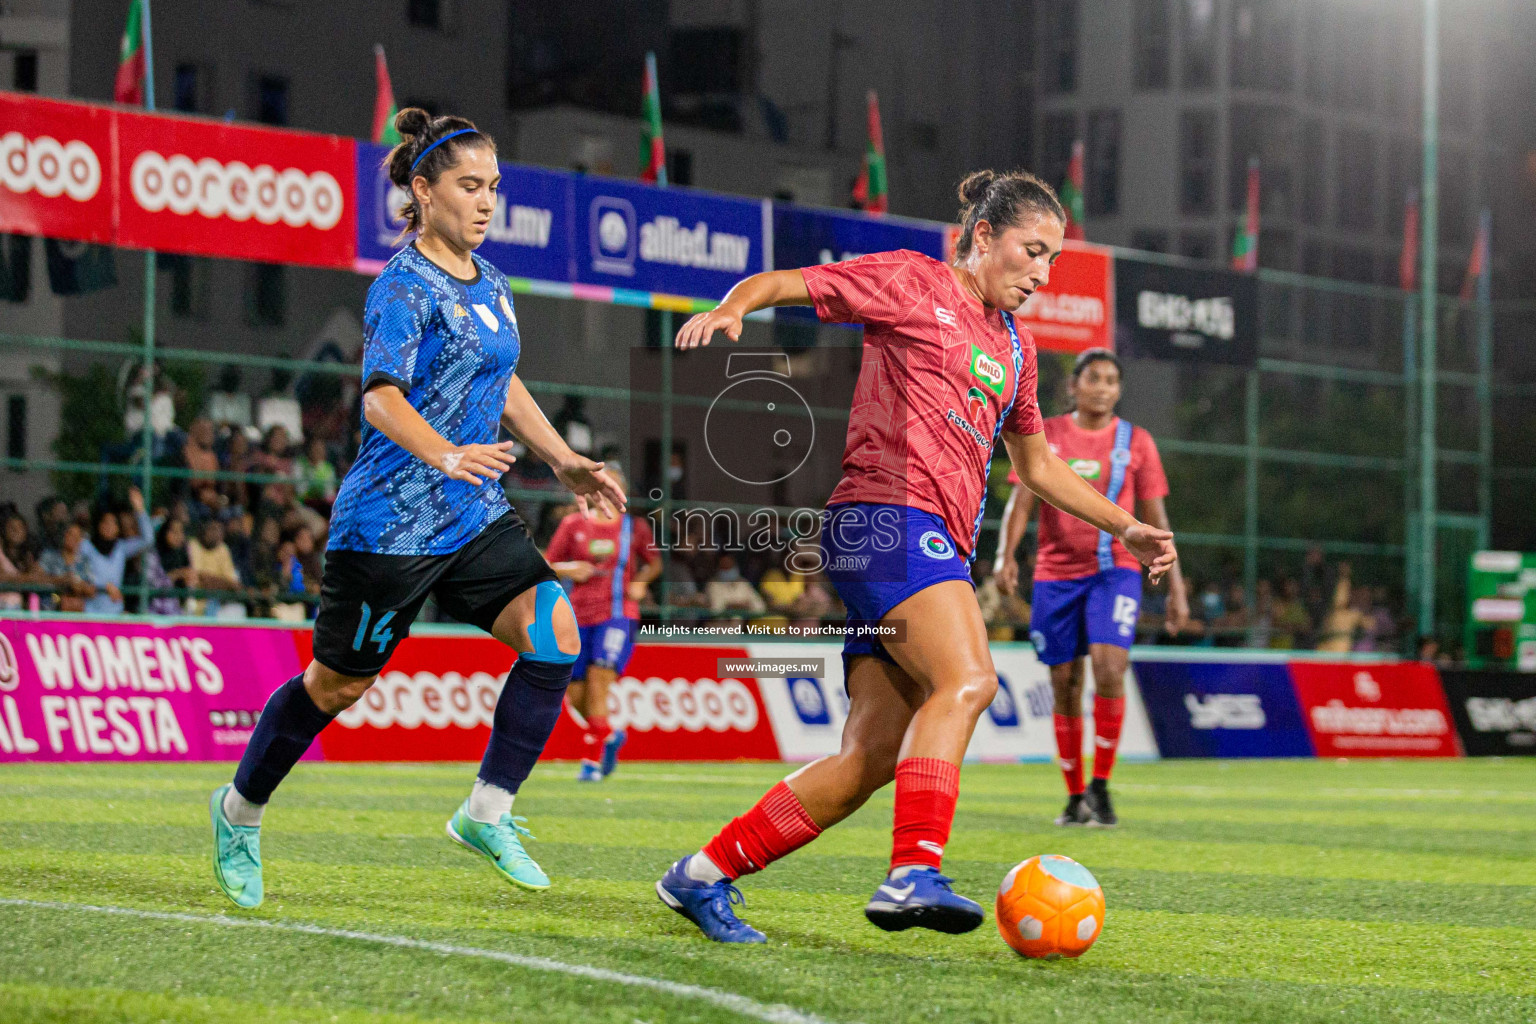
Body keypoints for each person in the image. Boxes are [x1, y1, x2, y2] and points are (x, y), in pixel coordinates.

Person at [654, 169, 1177, 943]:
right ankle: (913, 870)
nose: (1041, 271)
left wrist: (1125, 525)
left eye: (1052, 260)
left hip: (927, 547)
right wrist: (735, 307)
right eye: (1031, 250)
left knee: (866, 761)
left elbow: (1035, 467)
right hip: (884, 520)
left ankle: (698, 877)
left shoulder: (1016, 348)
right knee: (969, 679)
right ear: (984, 236)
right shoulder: (912, 281)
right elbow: (791, 283)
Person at [207, 108, 625, 910]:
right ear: (423, 191)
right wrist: (446, 453)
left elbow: (500, 383)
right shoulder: (401, 285)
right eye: (469, 186)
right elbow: (380, 401)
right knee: (335, 688)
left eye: (494, 188)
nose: (485, 202)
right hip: (389, 525)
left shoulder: (493, 283)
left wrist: (562, 458)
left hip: (472, 516)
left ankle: (485, 813)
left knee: (555, 636)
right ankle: (238, 812)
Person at [993, 348, 1187, 827]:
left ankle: (1101, 788)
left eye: (1112, 380)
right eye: (1094, 378)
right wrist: (1005, 555)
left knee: (1108, 668)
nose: (1103, 386)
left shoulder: (1136, 441)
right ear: (1074, 386)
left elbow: (1156, 518)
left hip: (1114, 571)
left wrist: (1177, 588)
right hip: (1055, 576)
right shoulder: (1049, 434)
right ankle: (1074, 794)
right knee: (1064, 683)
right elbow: (1021, 504)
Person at [545, 466, 661, 781]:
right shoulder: (572, 525)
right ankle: (608, 735)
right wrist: (570, 569)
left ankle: (591, 763)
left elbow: (654, 563)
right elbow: (547, 564)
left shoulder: (634, 528)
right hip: (576, 616)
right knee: (576, 696)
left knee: (599, 682)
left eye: (614, 486)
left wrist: (641, 580)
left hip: (617, 614)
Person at [79, 488, 156, 617]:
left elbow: (148, 540)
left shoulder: (120, 548)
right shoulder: (86, 546)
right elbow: (80, 575)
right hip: (90, 613)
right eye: (105, 522)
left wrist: (140, 510)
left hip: (115, 613)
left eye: (114, 523)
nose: (109, 527)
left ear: (118, 528)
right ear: (98, 525)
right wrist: (104, 587)